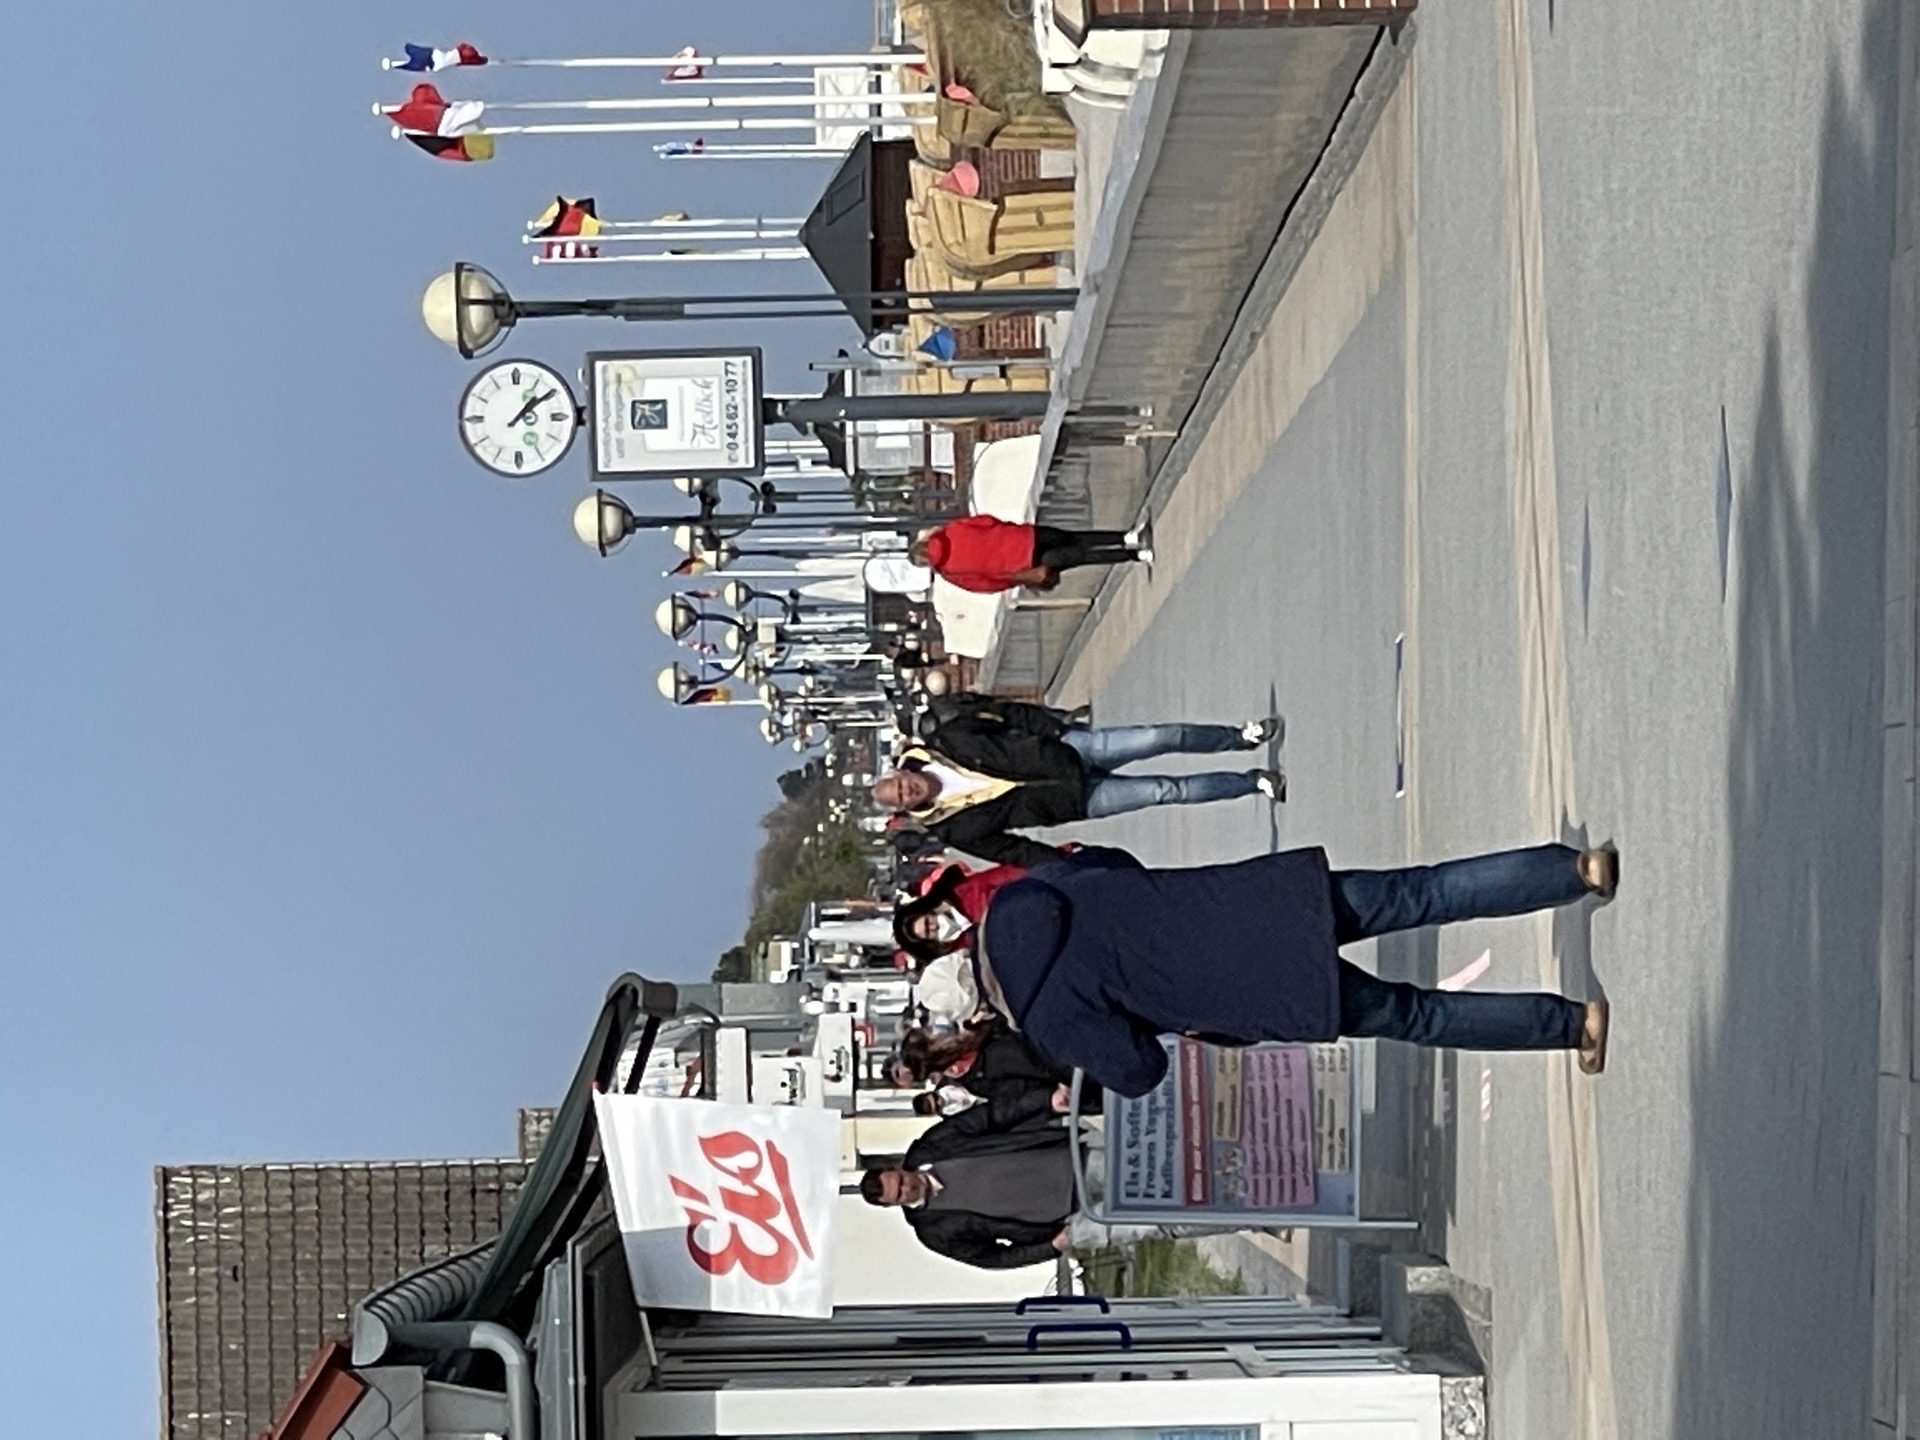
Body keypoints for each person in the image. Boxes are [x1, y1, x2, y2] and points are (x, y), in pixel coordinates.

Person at [973, 842, 1621, 1097]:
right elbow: (1115, 861)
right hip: (1259, 898)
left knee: (1415, 1014)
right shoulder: (1032, 889)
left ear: (986, 1005)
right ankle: (1575, 870)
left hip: (1256, 988)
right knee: (1418, 891)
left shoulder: (1046, 1017)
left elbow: (1138, 1069)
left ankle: (1574, 1025)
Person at [871, 693, 1284, 868]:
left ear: (904, 771)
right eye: (901, 797)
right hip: (1075, 800)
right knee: (1166, 791)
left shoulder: (948, 739)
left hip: (1068, 750)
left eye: (901, 783)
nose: (907, 790)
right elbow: (1013, 851)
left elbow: (1004, 714)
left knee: (1159, 737)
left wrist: (1053, 727)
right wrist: (1059, 864)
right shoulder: (951, 828)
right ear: (905, 809)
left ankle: (1239, 736)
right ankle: (1253, 782)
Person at [861, 1086, 1182, 1268]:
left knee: (1163, 1164)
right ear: (893, 1205)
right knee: (1156, 1222)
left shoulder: (934, 1146)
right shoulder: (934, 1232)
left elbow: (993, 1116)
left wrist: (1045, 1101)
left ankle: (1210, 1175)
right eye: (899, 1194)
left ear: (897, 1168)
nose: (907, 1186)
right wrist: (1051, 1248)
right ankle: (1212, 1216)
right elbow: (994, 1258)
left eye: (900, 1179)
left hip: (1070, 1160)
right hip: (1069, 1221)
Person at [909, 515, 1152, 595]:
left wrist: (1016, 580)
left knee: (1080, 557)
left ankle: (1135, 556)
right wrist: (1010, 529)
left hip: (1026, 564)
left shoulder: (951, 573)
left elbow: (986, 585)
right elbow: (986, 521)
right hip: (1025, 537)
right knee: (1075, 537)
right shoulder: (951, 530)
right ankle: (1127, 537)